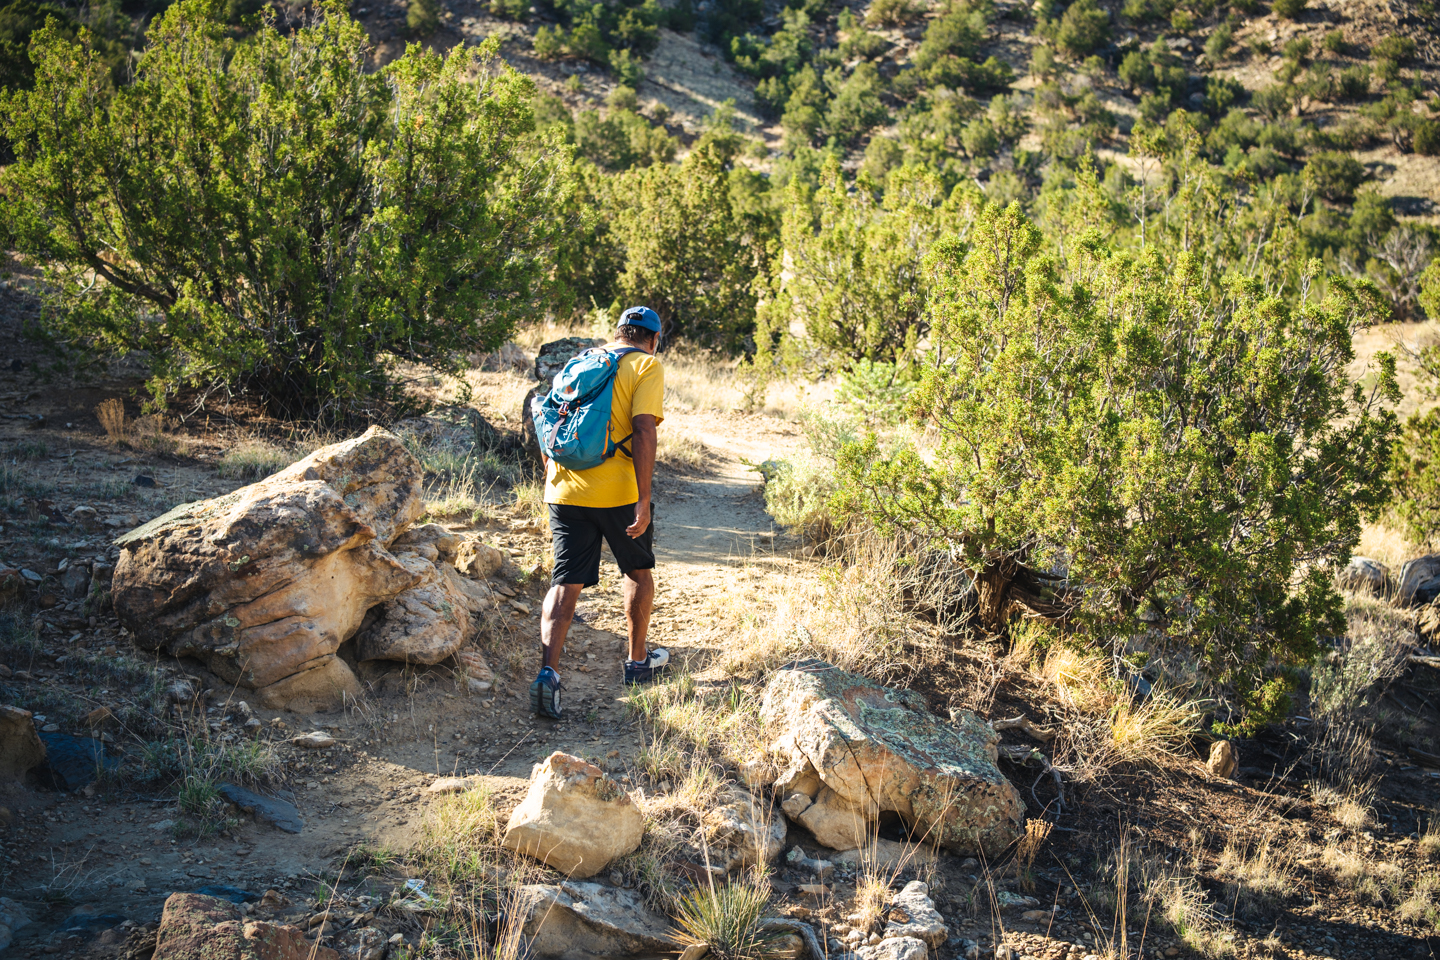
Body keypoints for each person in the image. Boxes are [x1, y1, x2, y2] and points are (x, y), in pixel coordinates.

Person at [530, 306, 670, 720]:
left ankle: (547, 674)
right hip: (619, 494)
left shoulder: (580, 362)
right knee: (637, 572)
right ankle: (637, 662)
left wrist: (551, 479)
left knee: (565, 583)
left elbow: (547, 419)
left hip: (565, 489)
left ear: (618, 333)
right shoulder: (646, 365)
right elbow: (645, 429)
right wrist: (643, 500)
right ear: (653, 338)